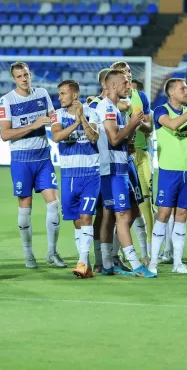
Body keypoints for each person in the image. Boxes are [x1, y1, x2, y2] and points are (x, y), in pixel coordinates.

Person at [0, 62, 65, 268]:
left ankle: (52, 252)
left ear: (30, 75)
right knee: (25, 208)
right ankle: (28, 254)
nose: (24, 79)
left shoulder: (42, 93)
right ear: (14, 79)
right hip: (21, 160)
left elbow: (53, 119)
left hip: (43, 158)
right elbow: (5, 134)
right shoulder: (7, 100)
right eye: (19, 76)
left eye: (26, 74)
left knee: (54, 204)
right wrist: (33, 125)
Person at [96, 69, 155, 277]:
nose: (128, 86)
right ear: (112, 86)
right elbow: (113, 139)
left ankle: (108, 263)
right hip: (111, 170)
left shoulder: (116, 108)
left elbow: (122, 141)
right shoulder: (107, 108)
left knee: (117, 215)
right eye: (124, 83)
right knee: (121, 215)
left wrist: (132, 130)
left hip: (120, 166)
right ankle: (136, 264)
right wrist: (131, 124)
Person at [148, 78, 187, 275]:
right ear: (171, 93)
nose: (186, 92)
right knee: (164, 215)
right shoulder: (161, 110)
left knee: (182, 215)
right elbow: (173, 125)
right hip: (169, 171)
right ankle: (153, 263)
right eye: (182, 89)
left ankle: (178, 263)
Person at [51, 80, 100, 278]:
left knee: (86, 217)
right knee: (77, 221)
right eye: (59, 93)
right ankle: (85, 265)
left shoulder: (92, 112)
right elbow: (56, 137)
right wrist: (77, 123)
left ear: (74, 95)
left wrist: (83, 120)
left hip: (90, 174)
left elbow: (94, 137)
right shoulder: (58, 114)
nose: (60, 97)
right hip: (69, 175)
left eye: (63, 93)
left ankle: (81, 262)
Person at [111, 61, 152, 265]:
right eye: (123, 77)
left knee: (140, 204)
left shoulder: (139, 97)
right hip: (114, 161)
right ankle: (113, 257)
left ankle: (145, 253)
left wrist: (136, 125)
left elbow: (149, 127)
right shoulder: (108, 103)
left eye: (128, 75)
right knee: (115, 212)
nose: (128, 80)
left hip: (135, 155)